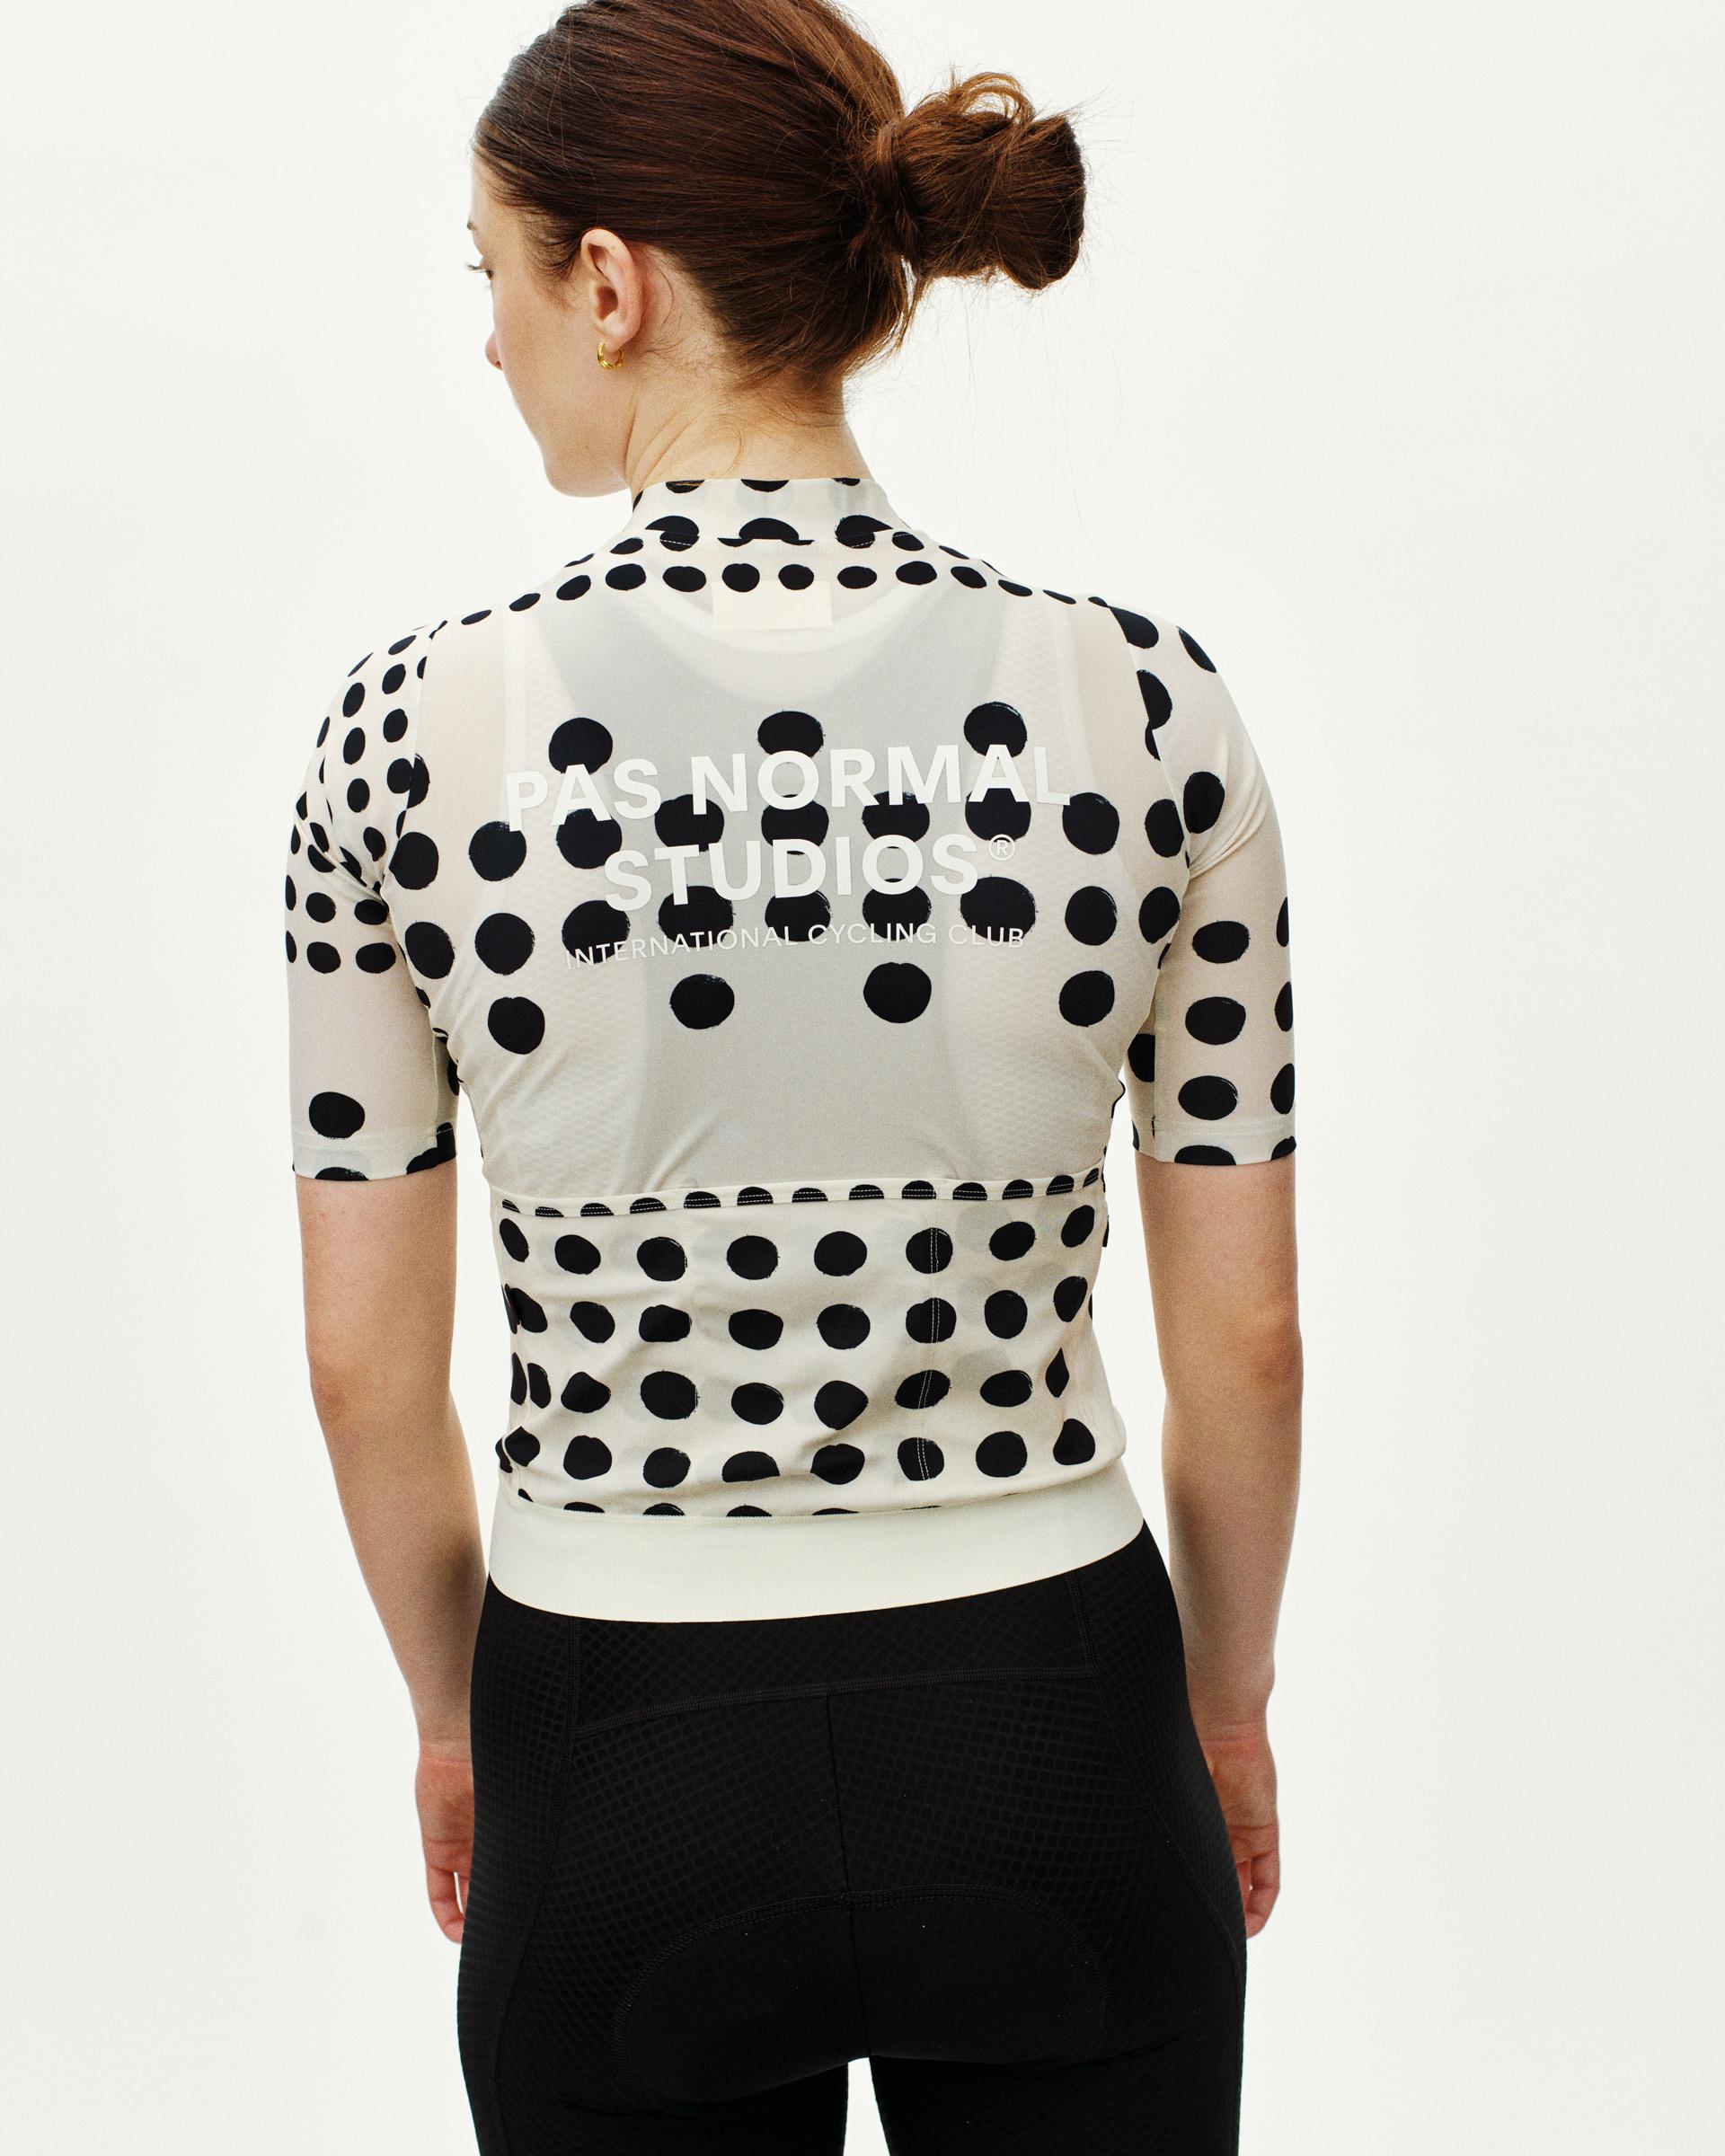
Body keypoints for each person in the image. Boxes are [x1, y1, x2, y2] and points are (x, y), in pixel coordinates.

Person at [284, 1, 1302, 2147]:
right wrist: (1219, 1706)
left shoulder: (405, 741)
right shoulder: (1147, 706)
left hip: (615, 1727)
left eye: (491, 270)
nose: (488, 337)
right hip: (1055, 1716)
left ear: (608, 282)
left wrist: (460, 1720)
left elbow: (366, 1372)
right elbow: (1250, 1344)